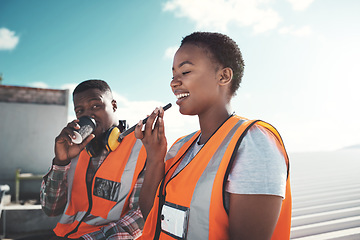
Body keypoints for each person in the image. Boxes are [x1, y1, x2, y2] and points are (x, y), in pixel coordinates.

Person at [135, 32, 292, 239]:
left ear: (223, 76)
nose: (174, 83)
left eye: (186, 71)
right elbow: (154, 218)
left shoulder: (253, 143)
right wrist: (155, 156)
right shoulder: (180, 146)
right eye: (173, 75)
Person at [40, 79, 147, 239]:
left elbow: (141, 216)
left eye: (96, 106)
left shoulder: (141, 148)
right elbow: (51, 209)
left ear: (114, 105)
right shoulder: (74, 150)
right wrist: (61, 162)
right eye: (80, 111)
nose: (88, 115)